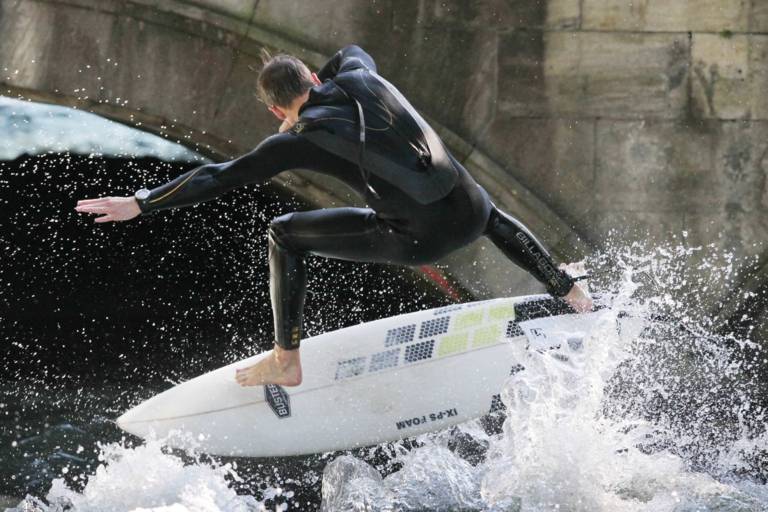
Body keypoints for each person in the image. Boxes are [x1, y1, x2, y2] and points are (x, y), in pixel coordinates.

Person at [75, 45, 592, 388]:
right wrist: (327, 74)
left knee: (284, 235)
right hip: (474, 213)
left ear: (277, 111)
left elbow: (217, 175)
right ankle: (567, 289)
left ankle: (285, 360)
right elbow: (349, 50)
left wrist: (141, 203)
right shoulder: (362, 74)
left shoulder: (299, 138)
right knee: (483, 206)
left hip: (418, 241)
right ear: (316, 77)